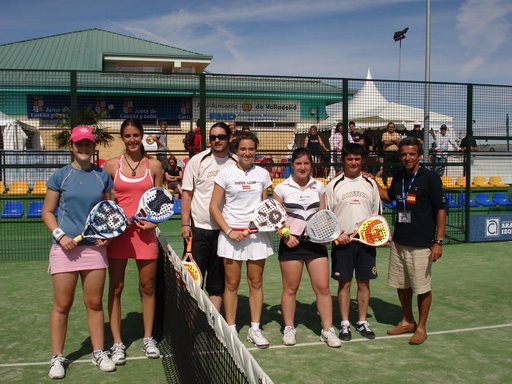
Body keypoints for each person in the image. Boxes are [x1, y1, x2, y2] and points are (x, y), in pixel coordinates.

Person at [42, 125, 116, 379]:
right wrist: (60, 236)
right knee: (62, 304)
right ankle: (57, 358)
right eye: (79, 144)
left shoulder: (102, 176)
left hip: (93, 250)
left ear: (93, 146)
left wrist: (106, 236)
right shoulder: (60, 176)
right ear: (72, 146)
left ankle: (98, 352)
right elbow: (47, 212)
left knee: (94, 303)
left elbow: (108, 210)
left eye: (88, 144)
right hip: (64, 250)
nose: (84, 148)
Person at [104, 118, 164, 365]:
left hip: (145, 236)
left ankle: (148, 338)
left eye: (136, 135)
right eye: (127, 136)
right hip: (118, 238)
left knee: (147, 287)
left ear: (142, 137)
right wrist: (114, 225)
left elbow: (161, 202)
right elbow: (106, 205)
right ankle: (117, 343)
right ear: (122, 137)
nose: (132, 140)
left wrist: (154, 223)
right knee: (116, 288)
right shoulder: (110, 166)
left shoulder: (155, 166)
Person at [376, 136, 446, 345]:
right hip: (399, 242)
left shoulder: (430, 177)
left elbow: (441, 210)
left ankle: (422, 328)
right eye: (404, 154)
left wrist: (438, 241)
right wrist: (369, 181)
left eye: (411, 154)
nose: (407, 158)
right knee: (402, 284)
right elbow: (388, 197)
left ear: (419, 156)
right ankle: (407, 320)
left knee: (421, 287)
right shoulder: (398, 177)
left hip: (422, 244)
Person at [209, 133, 274, 349]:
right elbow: (214, 207)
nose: (247, 153)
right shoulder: (225, 174)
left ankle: (255, 329)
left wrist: (261, 225)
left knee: (256, 282)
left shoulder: (263, 174)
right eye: (243, 149)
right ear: (236, 151)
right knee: (232, 284)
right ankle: (231, 328)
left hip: (257, 237)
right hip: (232, 236)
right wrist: (229, 231)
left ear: (256, 151)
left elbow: (265, 205)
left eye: (251, 149)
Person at [272, 147, 342, 348]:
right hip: (291, 245)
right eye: (298, 163)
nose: (302, 167)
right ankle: (289, 328)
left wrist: (324, 235)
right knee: (290, 289)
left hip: (315, 245)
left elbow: (323, 215)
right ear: (292, 165)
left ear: (311, 165)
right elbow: (274, 217)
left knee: (323, 288)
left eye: (306, 163)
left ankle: (327, 330)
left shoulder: (319, 187)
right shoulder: (281, 188)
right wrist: (286, 236)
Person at [325, 143, 382, 342]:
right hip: (343, 243)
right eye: (350, 159)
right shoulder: (333, 184)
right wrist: (338, 234)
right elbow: (327, 216)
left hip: (366, 243)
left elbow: (377, 214)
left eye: (357, 159)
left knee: (364, 282)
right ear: (343, 160)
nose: (353, 162)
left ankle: (361, 321)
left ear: (362, 160)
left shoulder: (370, 184)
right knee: (345, 283)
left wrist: (375, 235)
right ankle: (344, 324)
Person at [181, 122, 237, 312]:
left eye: (221, 137)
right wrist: (185, 224)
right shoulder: (197, 161)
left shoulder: (236, 163)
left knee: (217, 285)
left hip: (224, 234)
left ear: (229, 138)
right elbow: (187, 194)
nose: (217, 140)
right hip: (198, 231)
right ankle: (189, 326)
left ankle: (212, 328)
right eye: (213, 137)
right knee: (192, 283)